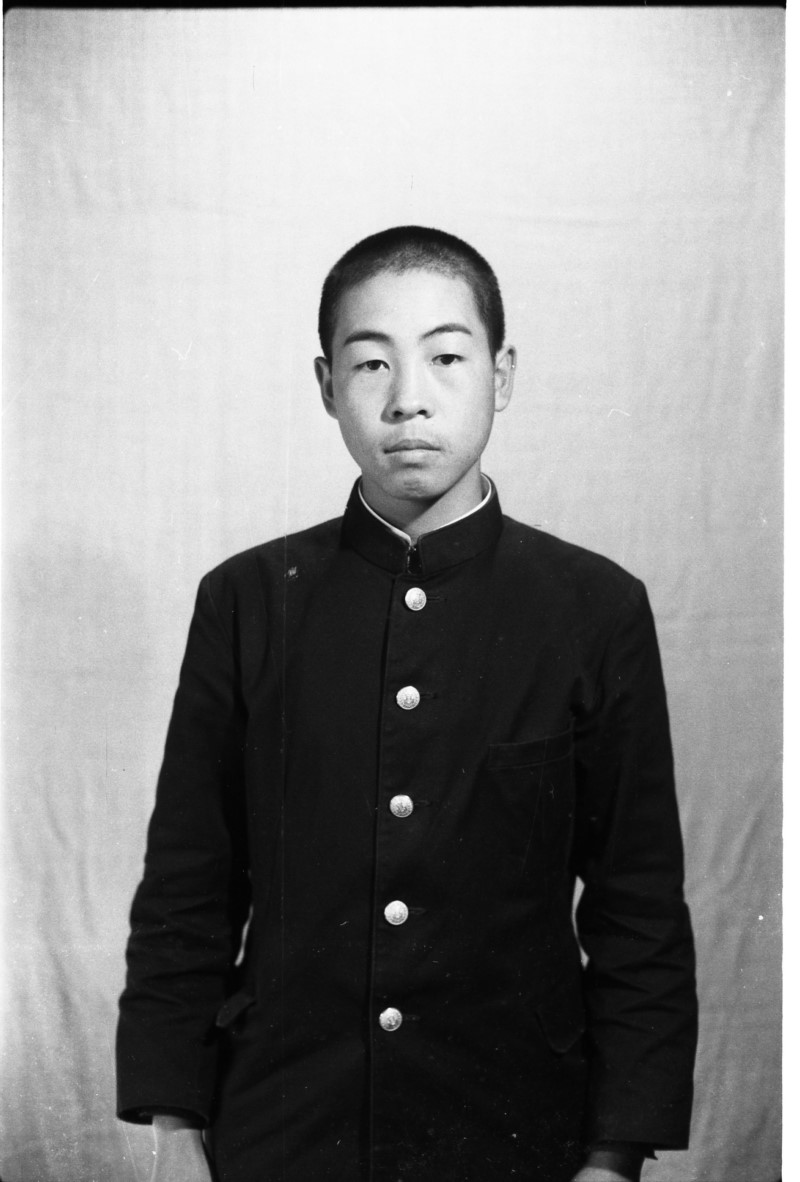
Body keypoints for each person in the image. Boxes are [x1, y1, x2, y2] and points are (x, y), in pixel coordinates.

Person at [116, 226, 698, 1182]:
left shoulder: (593, 608)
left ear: (501, 377)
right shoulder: (248, 601)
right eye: (371, 362)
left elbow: (637, 908)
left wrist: (615, 1155)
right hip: (284, 1129)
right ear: (326, 385)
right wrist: (175, 1126)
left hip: (518, 1128)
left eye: (446, 358)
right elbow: (190, 884)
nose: (408, 399)